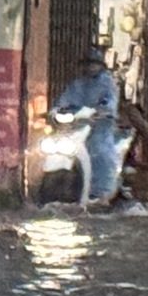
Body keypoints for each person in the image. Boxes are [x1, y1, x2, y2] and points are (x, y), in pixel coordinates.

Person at [51, 50, 124, 203]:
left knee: (100, 151)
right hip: (78, 126)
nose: (91, 67)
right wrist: (55, 110)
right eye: (88, 64)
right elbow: (65, 99)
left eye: (94, 64)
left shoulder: (107, 83)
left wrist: (103, 110)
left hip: (100, 127)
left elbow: (110, 101)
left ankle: (102, 191)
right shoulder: (78, 84)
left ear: (100, 66)